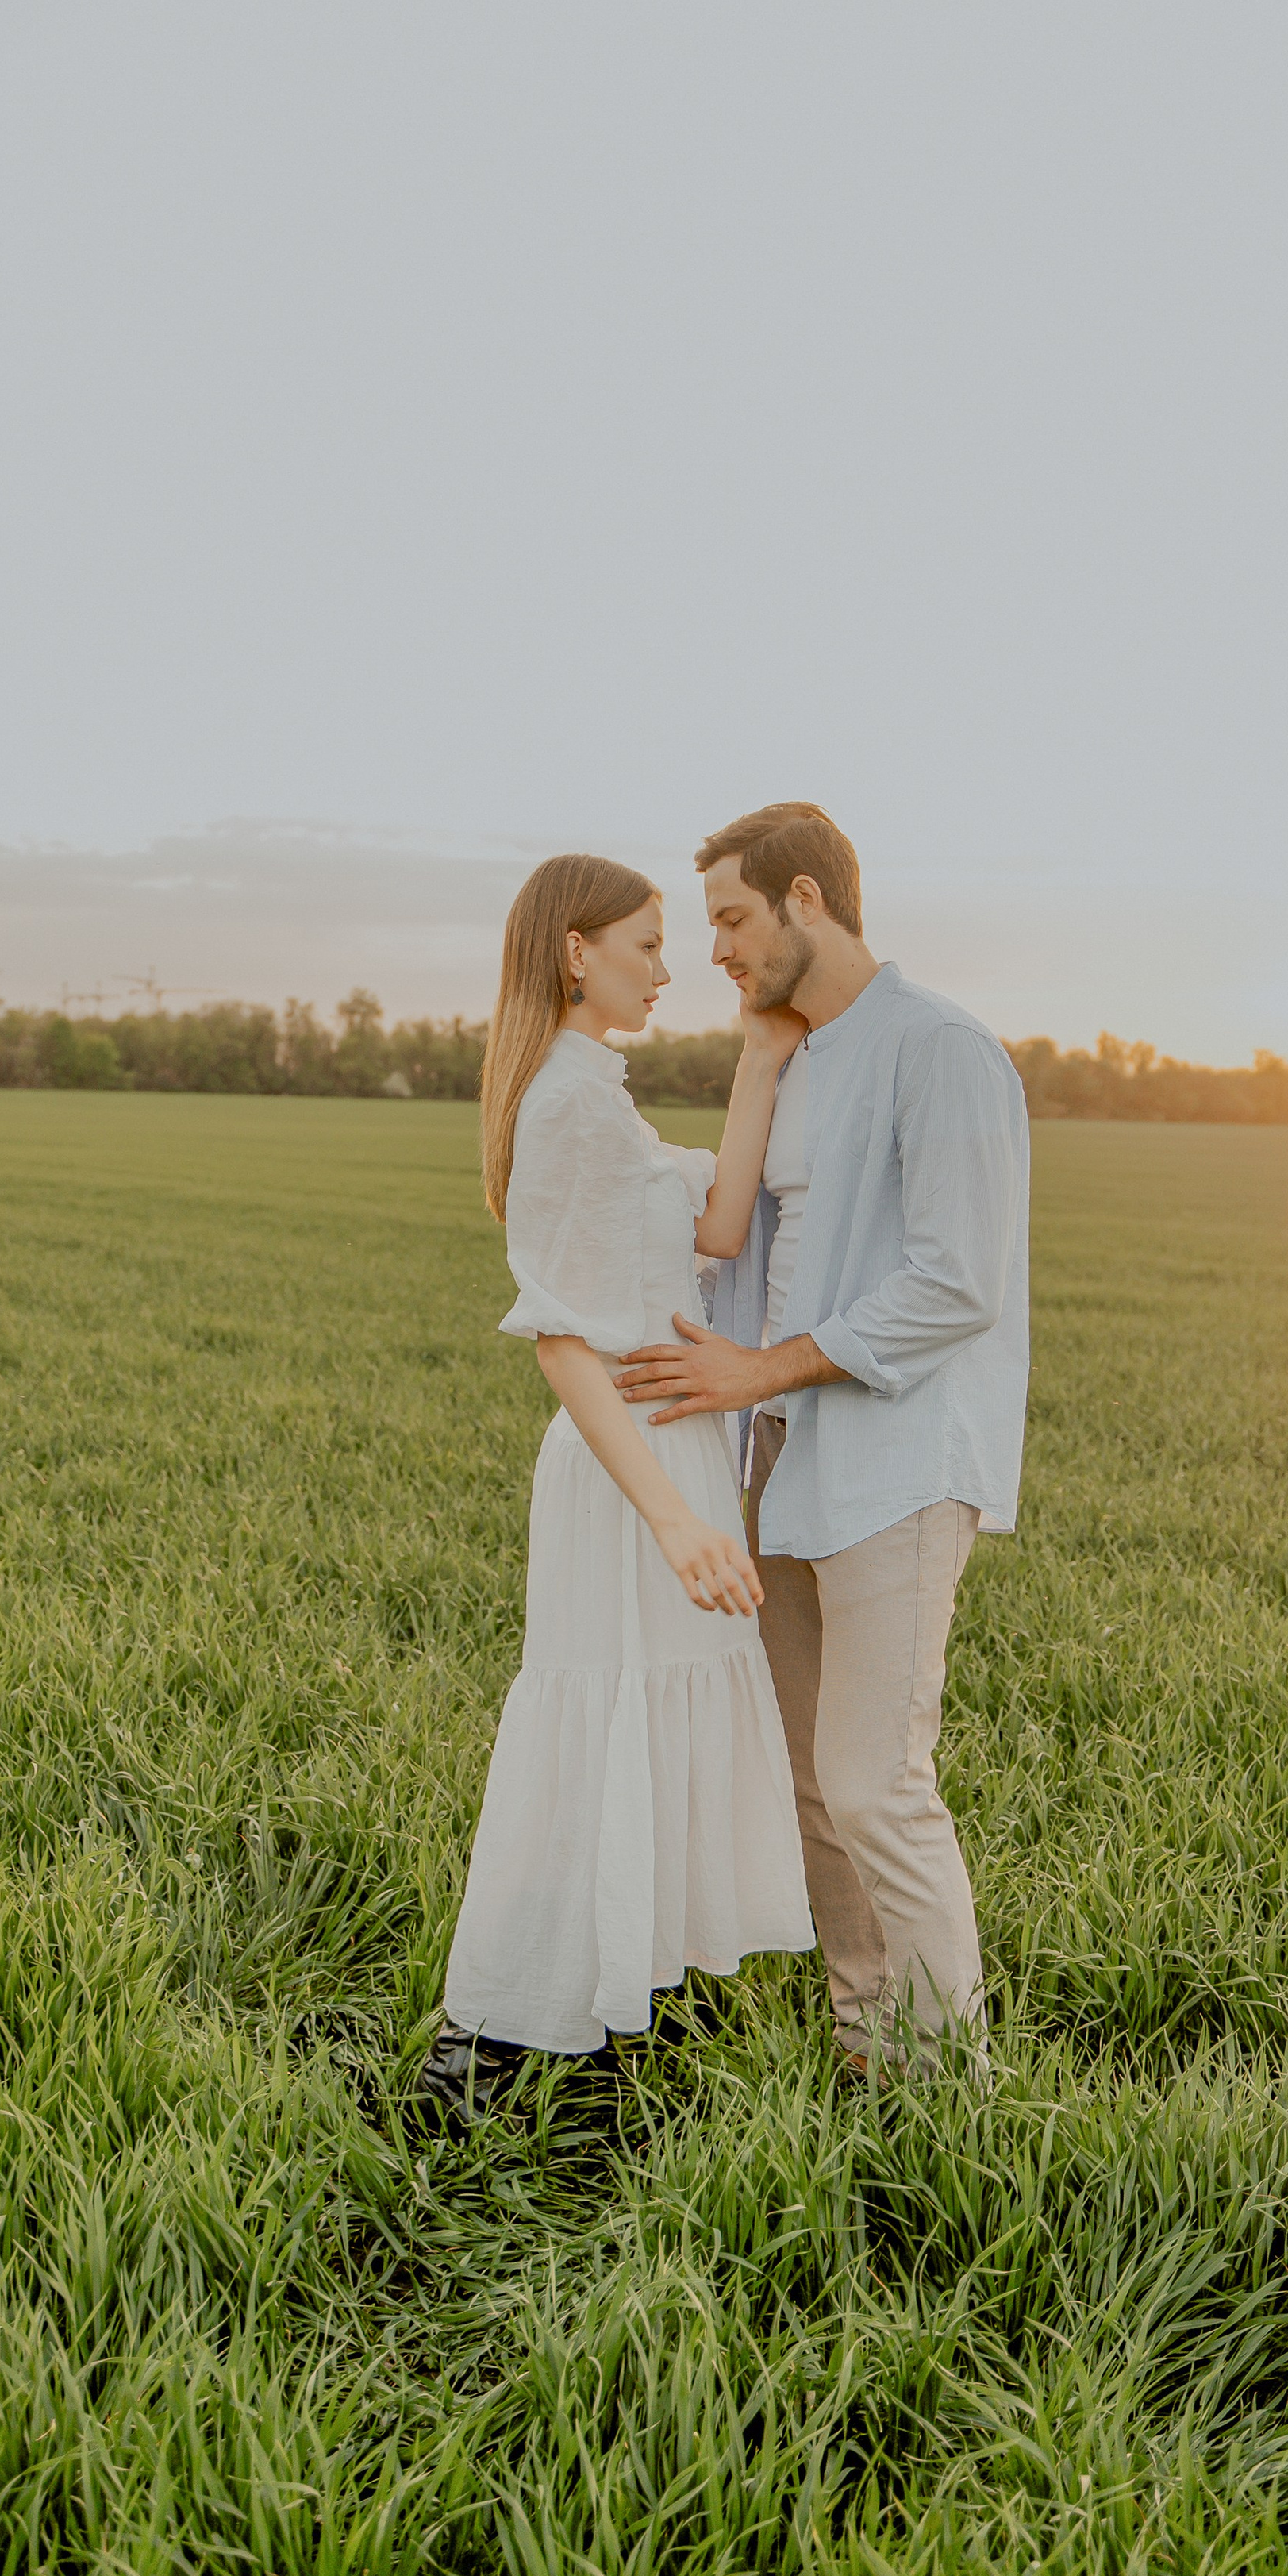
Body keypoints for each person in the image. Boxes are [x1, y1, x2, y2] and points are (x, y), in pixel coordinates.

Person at [613, 803, 1029, 2078]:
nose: (718, 952)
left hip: (900, 1462)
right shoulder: (799, 1059)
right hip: (783, 1459)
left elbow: (959, 1281)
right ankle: (868, 2051)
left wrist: (760, 1368)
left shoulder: (941, 1047)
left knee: (873, 1784)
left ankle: (951, 2082)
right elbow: (748, 1237)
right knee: (811, 1788)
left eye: (733, 921)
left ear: (806, 898)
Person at [423, 853, 814, 2117]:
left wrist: (760, 1058)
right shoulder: (568, 1105)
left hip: (672, 1448)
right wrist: (675, 1520)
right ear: (574, 952)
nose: (669, 964)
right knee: (598, 1722)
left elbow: (715, 1233)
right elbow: (562, 1342)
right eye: (646, 942)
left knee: (646, 1718)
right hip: (628, 1474)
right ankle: (482, 2045)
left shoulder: (607, 1099)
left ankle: (605, 2020)